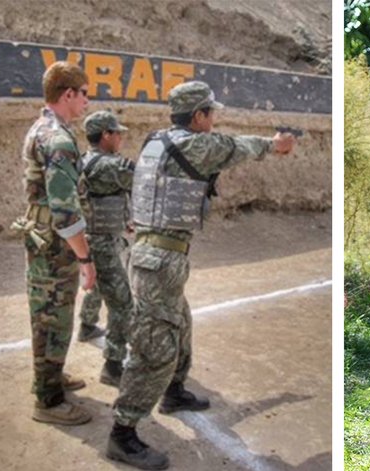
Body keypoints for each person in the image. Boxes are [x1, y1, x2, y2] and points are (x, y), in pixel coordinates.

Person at [106, 80, 297, 470]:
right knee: (154, 347)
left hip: (158, 257)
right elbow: (238, 147)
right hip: (156, 259)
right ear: (198, 116)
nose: (213, 120)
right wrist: (276, 144)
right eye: (210, 113)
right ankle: (123, 432)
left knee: (181, 325)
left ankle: (174, 391)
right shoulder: (196, 144)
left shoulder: (156, 140)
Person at [17, 61, 96, 425]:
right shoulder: (59, 138)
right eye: (84, 95)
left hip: (43, 238)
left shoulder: (42, 127)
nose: (87, 102)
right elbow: (65, 213)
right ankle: (47, 401)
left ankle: (52, 375)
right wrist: (85, 259)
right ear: (68, 94)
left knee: (53, 313)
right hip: (54, 245)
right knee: (52, 317)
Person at [77, 110, 135, 386]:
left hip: (93, 238)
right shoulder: (110, 165)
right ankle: (113, 366)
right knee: (123, 304)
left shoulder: (87, 160)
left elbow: (111, 196)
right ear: (105, 135)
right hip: (103, 242)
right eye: (117, 132)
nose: (121, 137)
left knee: (99, 285)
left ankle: (87, 325)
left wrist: (125, 219)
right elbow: (143, 178)